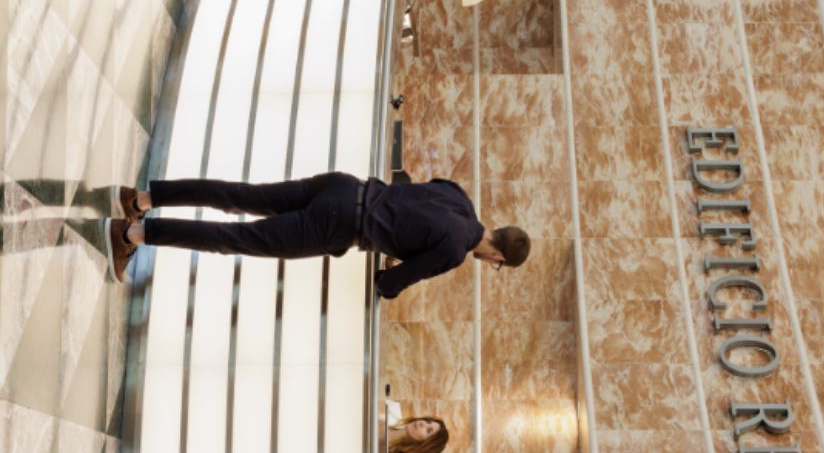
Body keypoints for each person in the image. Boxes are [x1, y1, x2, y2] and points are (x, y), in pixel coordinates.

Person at [104, 173, 530, 297]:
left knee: (240, 195)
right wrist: (391, 266)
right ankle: (134, 236)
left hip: (344, 186)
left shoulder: (460, 197)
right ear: (497, 259)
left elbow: (414, 196)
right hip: (336, 225)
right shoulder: (455, 252)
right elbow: (389, 284)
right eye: (496, 266)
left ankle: (142, 198)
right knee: (237, 239)